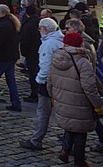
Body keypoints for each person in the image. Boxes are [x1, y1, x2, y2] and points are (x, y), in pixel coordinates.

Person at [48, 32, 103, 166]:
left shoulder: (56, 58)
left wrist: (54, 97)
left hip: (62, 100)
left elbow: (49, 82)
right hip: (80, 102)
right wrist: (98, 105)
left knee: (70, 126)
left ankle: (65, 151)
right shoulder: (83, 62)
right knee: (80, 132)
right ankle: (79, 161)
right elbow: (90, 88)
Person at [20, 17, 64, 151]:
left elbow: (45, 65)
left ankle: (36, 140)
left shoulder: (48, 44)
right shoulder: (60, 40)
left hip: (47, 83)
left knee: (43, 112)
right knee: (63, 111)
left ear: (44, 29)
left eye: (40, 28)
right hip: (59, 81)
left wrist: (39, 80)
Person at [0, 4, 21, 112]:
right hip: (11, 56)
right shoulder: (10, 23)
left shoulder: (4, 25)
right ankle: (16, 103)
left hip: (3, 56)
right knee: (10, 79)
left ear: (3, 13)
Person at [19, 5, 41, 102]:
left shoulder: (28, 25)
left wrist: (24, 53)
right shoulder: (39, 22)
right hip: (39, 51)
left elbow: (25, 41)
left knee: (32, 73)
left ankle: (34, 93)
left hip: (32, 53)